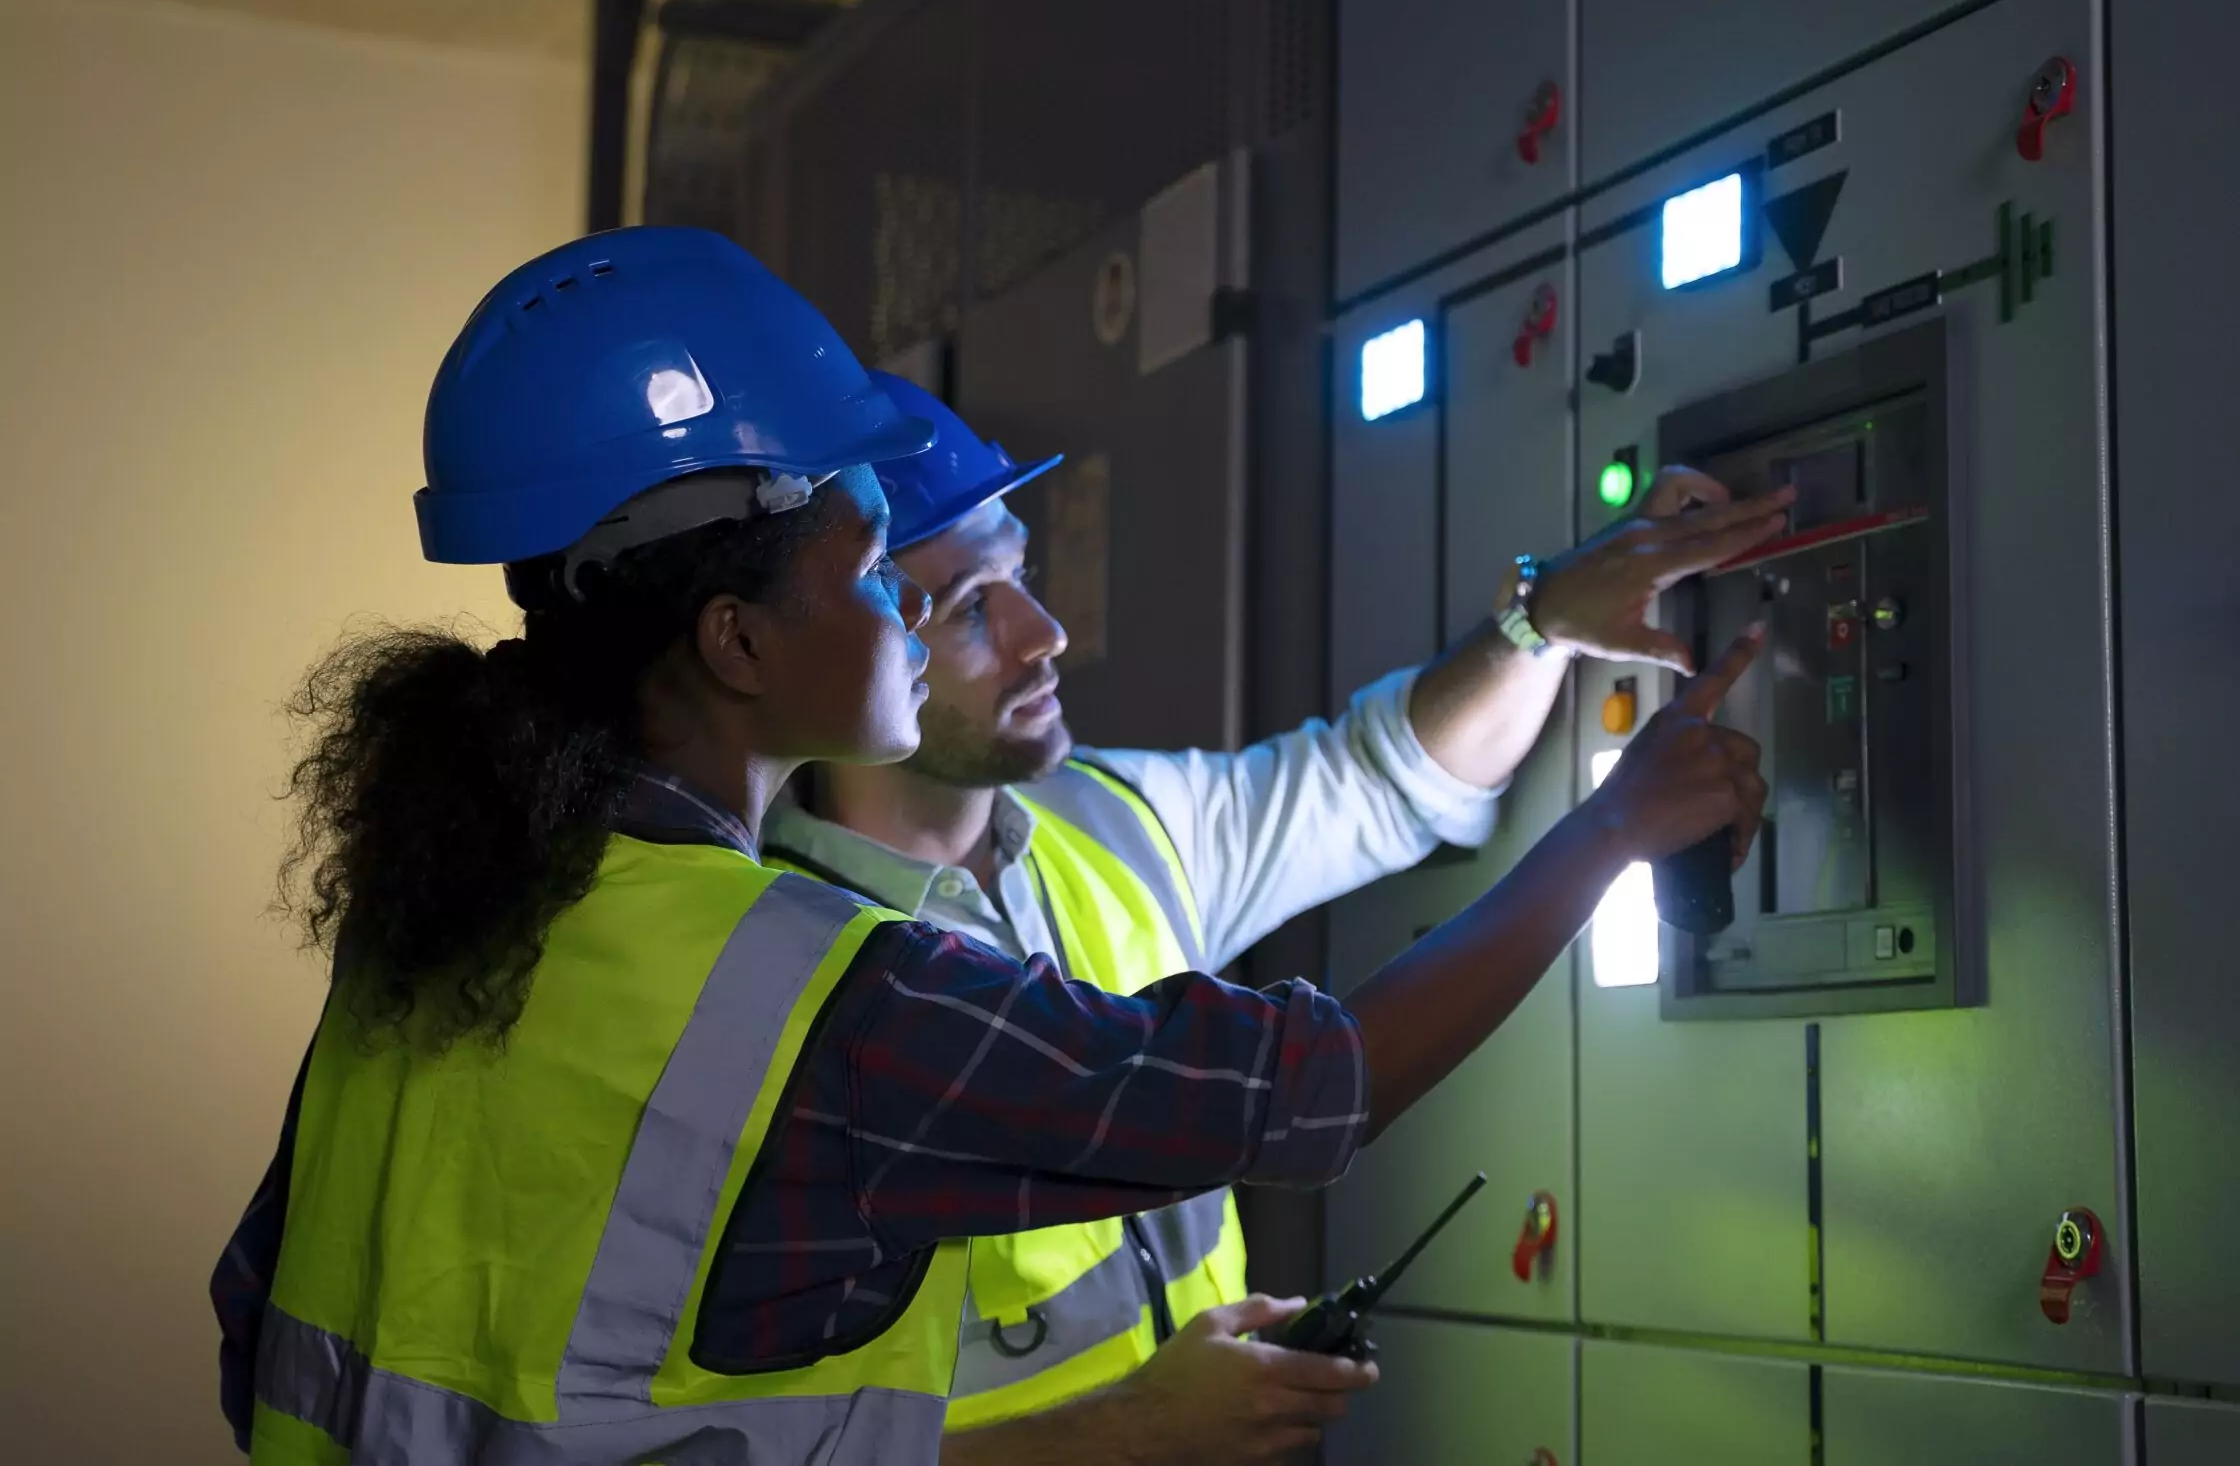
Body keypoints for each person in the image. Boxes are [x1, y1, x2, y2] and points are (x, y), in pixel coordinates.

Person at [210, 226, 1774, 1466]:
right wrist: (1620, 826)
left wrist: (1542, 626)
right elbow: (1308, 1091)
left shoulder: (456, 908)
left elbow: (273, 1335)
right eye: (893, 573)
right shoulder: (795, 983)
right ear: (739, 640)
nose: (999, 622)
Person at [761, 375, 1793, 1462]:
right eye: (971, 606)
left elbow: (1377, 781)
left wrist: (1537, 625)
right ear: (844, 645)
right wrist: (1130, 1432)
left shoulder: (1109, 821)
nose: (1044, 633)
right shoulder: (786, 975)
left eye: (1022, 573)